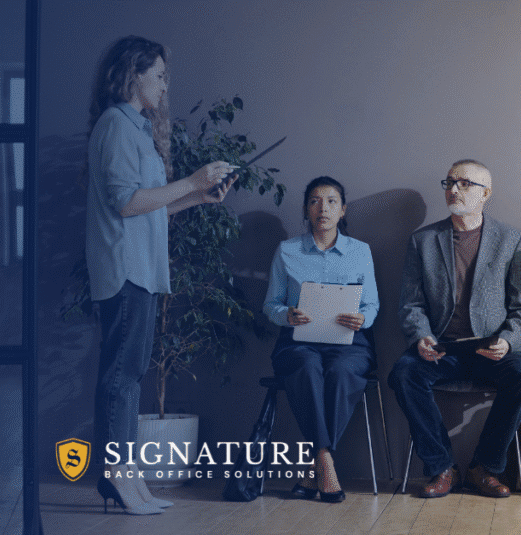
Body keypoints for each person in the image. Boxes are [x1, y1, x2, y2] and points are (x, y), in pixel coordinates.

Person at [86, 36, 236, 515]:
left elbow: (152, 208)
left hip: (143, 267)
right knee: (121, 378)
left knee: (128, 376)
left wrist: (200, 196)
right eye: (160, 75)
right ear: (133, 75)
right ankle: (119, 478)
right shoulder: (115, 125)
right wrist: (192, 179)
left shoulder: (136, 128)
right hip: (124, 267)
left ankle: (126, 479)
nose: (165, 85)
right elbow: (125, 202)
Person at [388, 159, 521, 499]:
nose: (453, 189)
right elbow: (410, 305)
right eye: (449, 182)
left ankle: (484, 468)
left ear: (486, 193)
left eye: (464, 184)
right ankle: (442, 468)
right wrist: (421, 336)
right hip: (443, 348)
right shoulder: (423, 241)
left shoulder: (511, 239)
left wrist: (507, 340)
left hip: (493, 348)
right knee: (404, 374)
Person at [262, 176, 380, 504]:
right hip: (299, 341)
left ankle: (314, 467)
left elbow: (372, 304)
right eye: (315, 201)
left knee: (343, 371)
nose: (322, 208)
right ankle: (326, 463)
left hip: (349, 340)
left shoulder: (360, 252)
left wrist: (363, 319)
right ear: (306, 209)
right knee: (304, 364)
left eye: (331, 201)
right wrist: (287, 314)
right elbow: (270, 304)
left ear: (342, 211)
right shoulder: (286, 251)